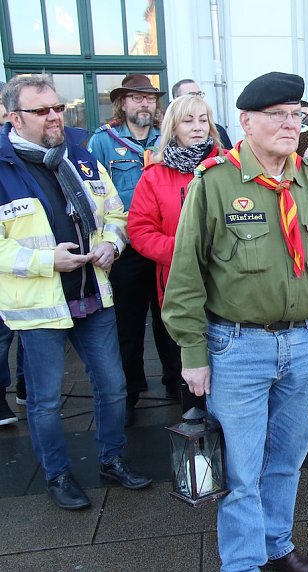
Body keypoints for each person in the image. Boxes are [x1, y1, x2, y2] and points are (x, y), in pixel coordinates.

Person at [162, 72, 308, 572]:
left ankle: (276, 547)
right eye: (278, 115)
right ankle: (244, 563)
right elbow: (185, 275)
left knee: (287, 462)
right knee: (242, 470)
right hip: (237, 347)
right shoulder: (215, 183)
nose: (291, 125)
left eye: (296, 115)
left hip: (306, 344)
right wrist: (192, 353)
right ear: (246, 122)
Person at [0, 75, 151, 509]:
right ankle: (58, 475)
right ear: (15, 118)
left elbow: (116, 214)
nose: (54, 117)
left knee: (113, 386)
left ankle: (112, 458)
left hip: (93, 293)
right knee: (45, 401)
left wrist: (112, 245)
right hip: (40, 306)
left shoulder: (81, 156)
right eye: (41, 110)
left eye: (57, 108)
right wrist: (47, 260)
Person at [127, 94, 223, 412]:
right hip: (179, 287)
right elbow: (140, 231)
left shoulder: (228, 167)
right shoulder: (154, 175)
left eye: (203, 120)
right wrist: (185, 253)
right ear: (173, 127)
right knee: (192, 380)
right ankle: (198, 437)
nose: (197, 127)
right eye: (188, 120)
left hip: (229, 285)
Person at [88, 74, 175, 425]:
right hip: (126, 247)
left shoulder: (167, 138)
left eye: (149, 98)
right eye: (136, 98)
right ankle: (130, 392)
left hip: (164, 242)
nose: (144, 103)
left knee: (170, 317)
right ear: (122, 104)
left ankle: (176, 381)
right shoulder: (102, 142)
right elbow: (93, 195)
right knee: (128, 323)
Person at [172, 78, 233, 149]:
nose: (198, 98)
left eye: (199, 94)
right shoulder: (165, 137)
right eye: (192, 95)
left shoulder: (218, 131)